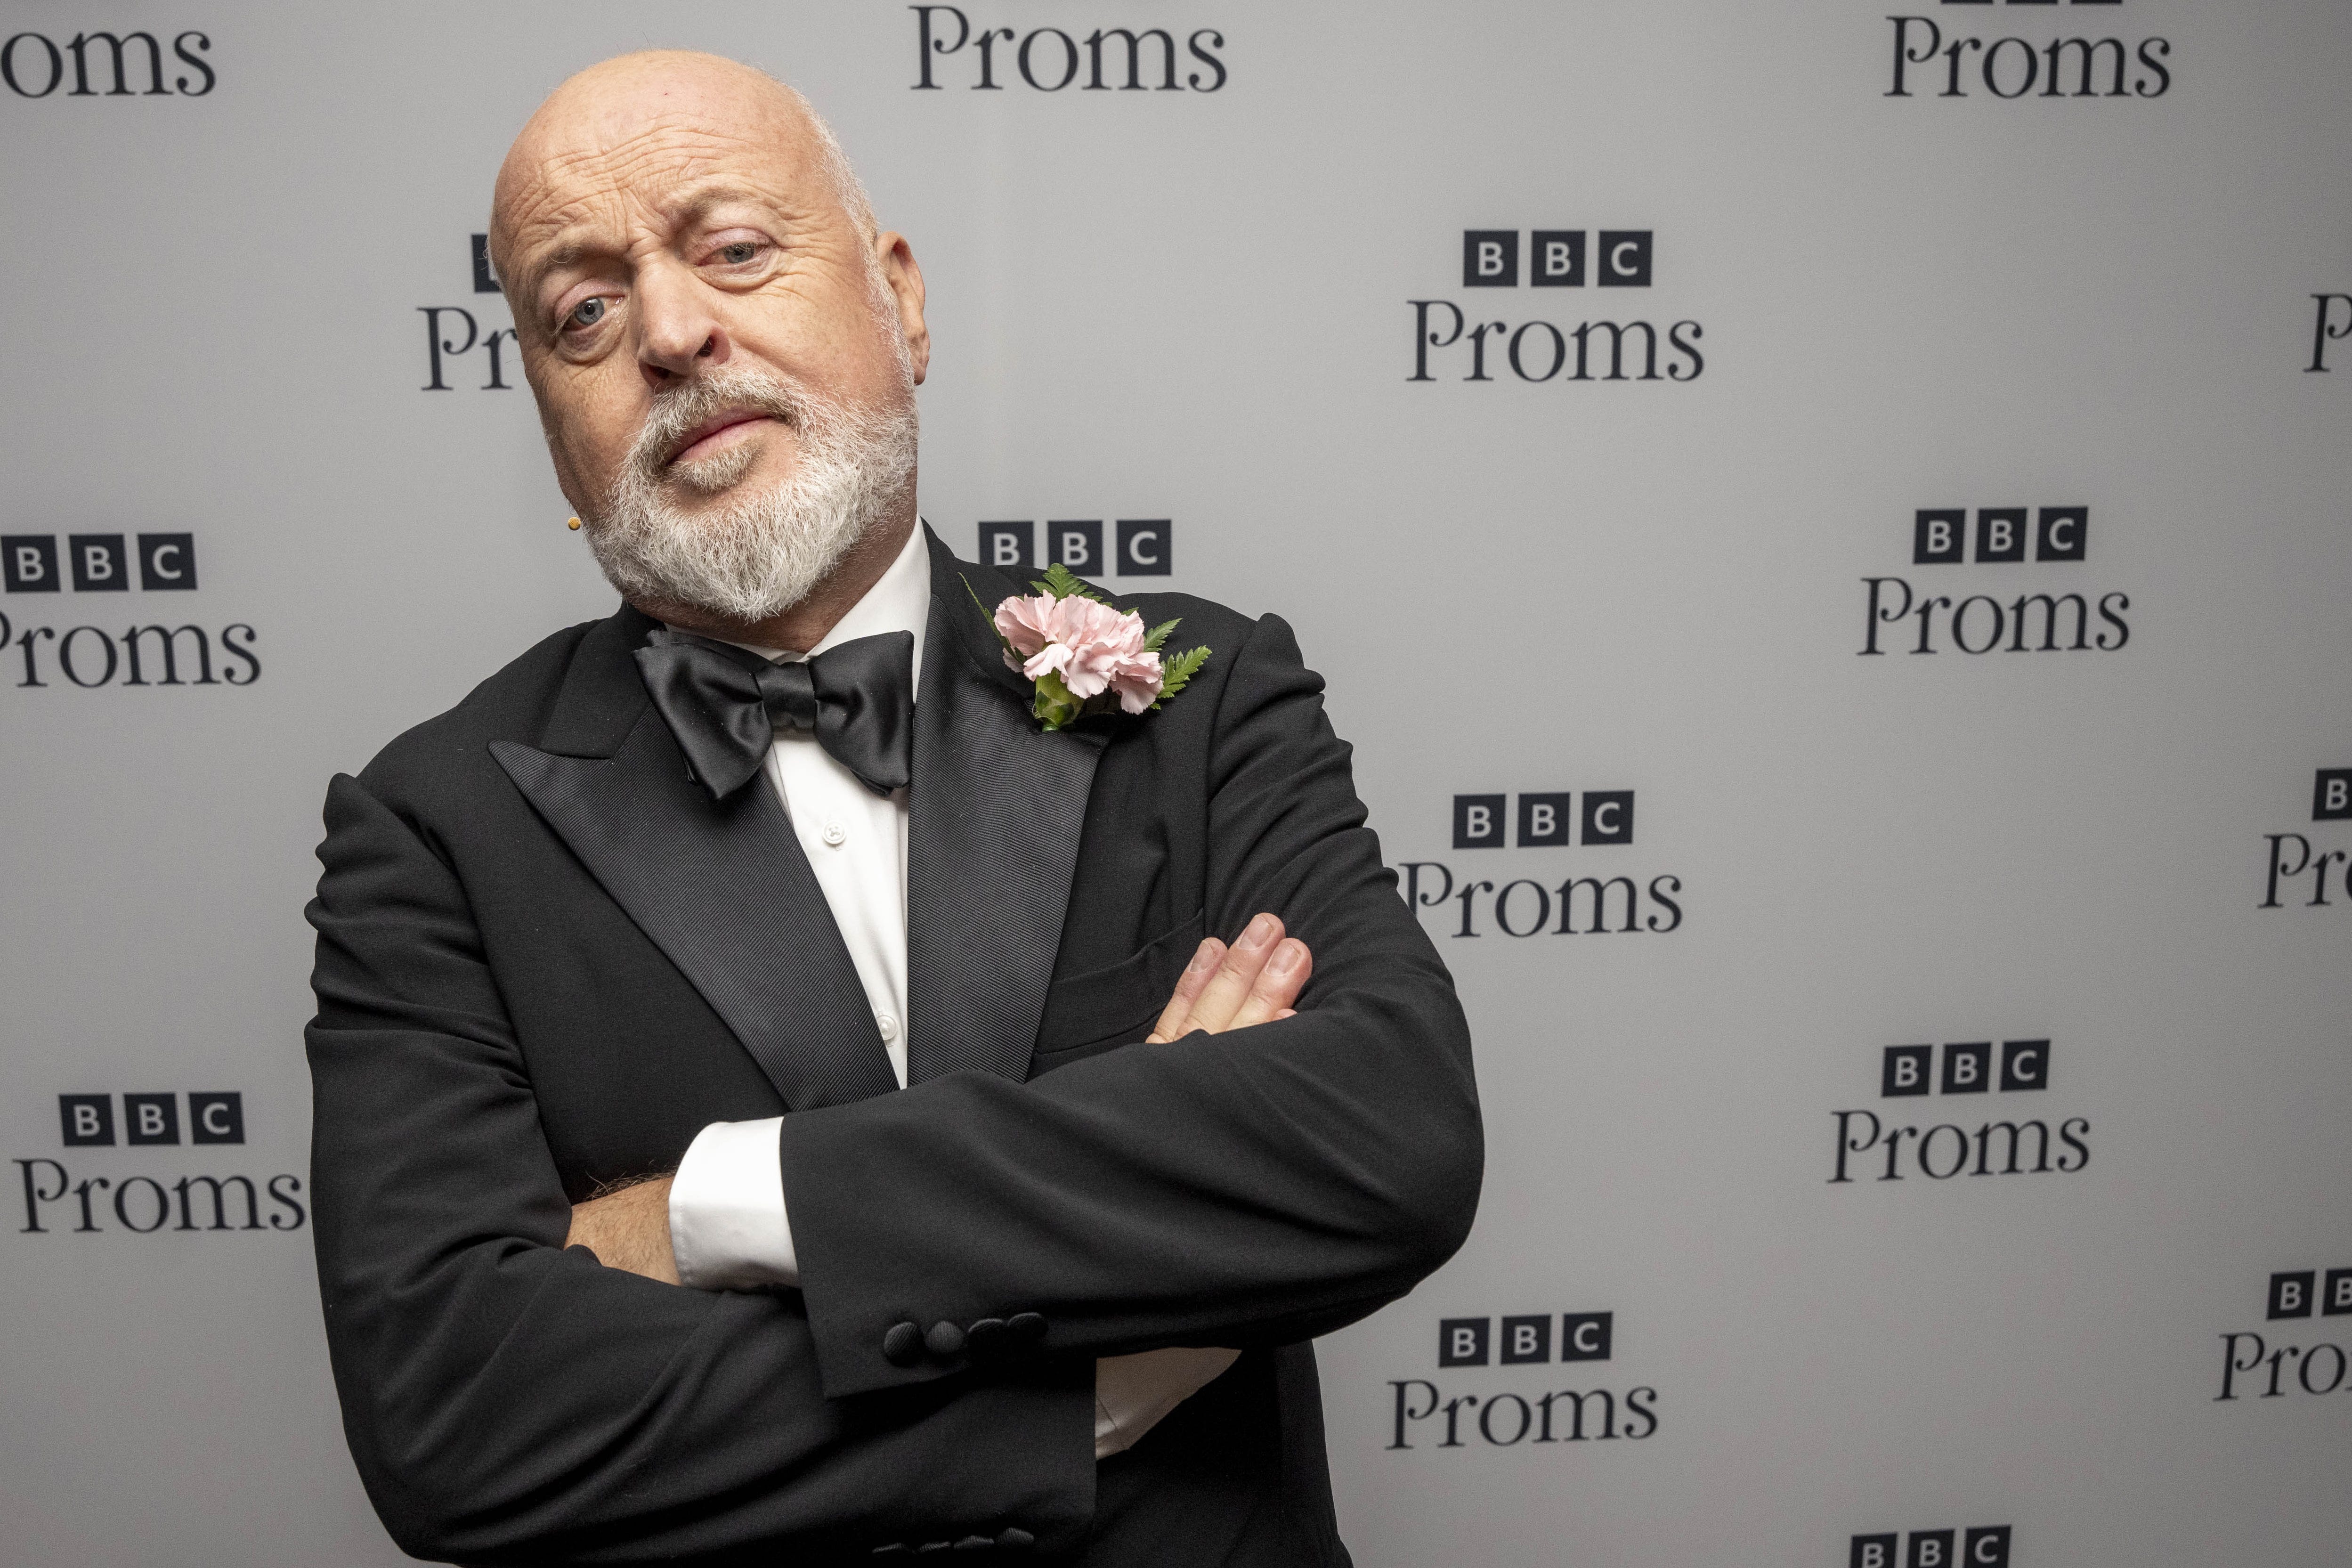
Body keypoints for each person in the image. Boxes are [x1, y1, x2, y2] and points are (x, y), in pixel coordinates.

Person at [305, 49, 1480, 1566]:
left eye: (732, 249)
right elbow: (453, 1412)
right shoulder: (434, 825)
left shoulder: (1197, 693)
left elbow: (1389, 1134)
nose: (668, 333)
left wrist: (715, 1207)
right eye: (580, 311)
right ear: (555, 438)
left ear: (902, 301)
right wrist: (1092, 1376)